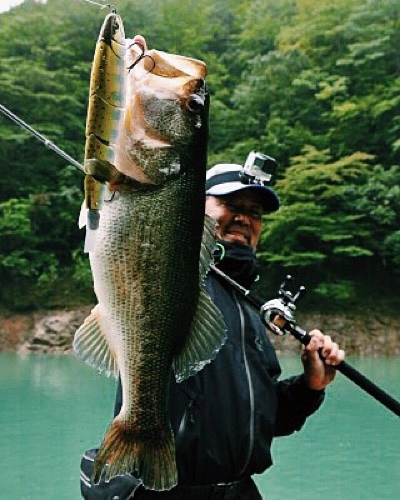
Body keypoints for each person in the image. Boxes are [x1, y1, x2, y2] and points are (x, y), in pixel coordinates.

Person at [80, 160, 345, 499]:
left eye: (254, 213)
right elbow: (129, 228)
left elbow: (258, 419)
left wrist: (310, 387)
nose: (244, 218)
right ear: (192, 206)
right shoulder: (171, 276)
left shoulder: (248, 309)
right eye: (230, 204)